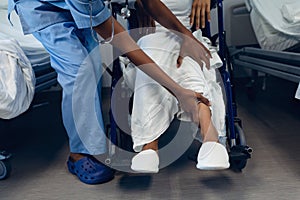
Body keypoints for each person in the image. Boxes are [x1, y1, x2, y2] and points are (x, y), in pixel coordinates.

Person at [8, 0, 213, 184]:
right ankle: (79, 153)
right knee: (80, 70)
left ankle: (91, 137)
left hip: (76, 4)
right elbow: (123, 42)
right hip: (41, 6)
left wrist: (186, 36)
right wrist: (177, 90)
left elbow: (149, 1)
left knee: (93, 62)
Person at [125, 0, 230, 173]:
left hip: (190, 37)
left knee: (189, 61)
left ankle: (152, 145)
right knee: (152, 59)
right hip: (152, 39)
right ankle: (208, 136)